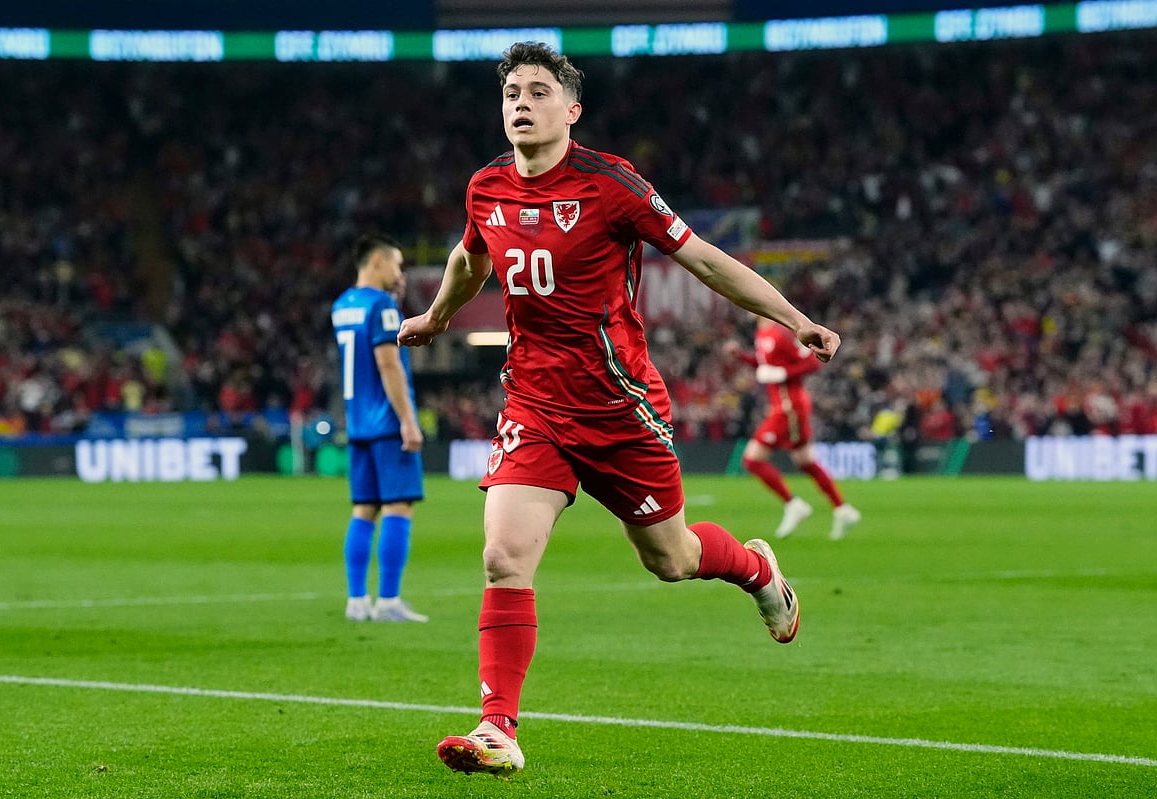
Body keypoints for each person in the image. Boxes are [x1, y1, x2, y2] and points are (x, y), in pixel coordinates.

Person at [397, 42, 841, 778]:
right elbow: (469, 255)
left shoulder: (611, 184)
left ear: (571, 111)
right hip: (533, 405)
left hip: (620, 410)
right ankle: (498, 725)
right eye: (511, 91)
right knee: (504, 556)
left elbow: (701, 257)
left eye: (538, 91)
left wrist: (794, 318)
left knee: (671, 560)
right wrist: (438, 316)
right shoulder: (486, 187)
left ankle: (758, 571)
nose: (520, 102)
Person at [331, 233, 428, 623]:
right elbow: (388, 365)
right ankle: (388, 600)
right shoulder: (383, 306)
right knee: (398, 507)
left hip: (357, 423)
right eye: (396, 263)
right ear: (376, 262)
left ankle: (357, 600)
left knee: (363, 510)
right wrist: (408, 420)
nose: (399, 271)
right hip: (387, 423)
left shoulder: (342, 305)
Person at [724, 316, 861, 541]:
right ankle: (842, 509)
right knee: (805, 461)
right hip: (783, 406)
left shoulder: (781, 333)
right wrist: (741, 356)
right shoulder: (762, 332)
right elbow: (766, 367)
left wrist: (783, 374)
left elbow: (812, 362)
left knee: (752, 459)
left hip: (789, 407)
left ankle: (794, 504)